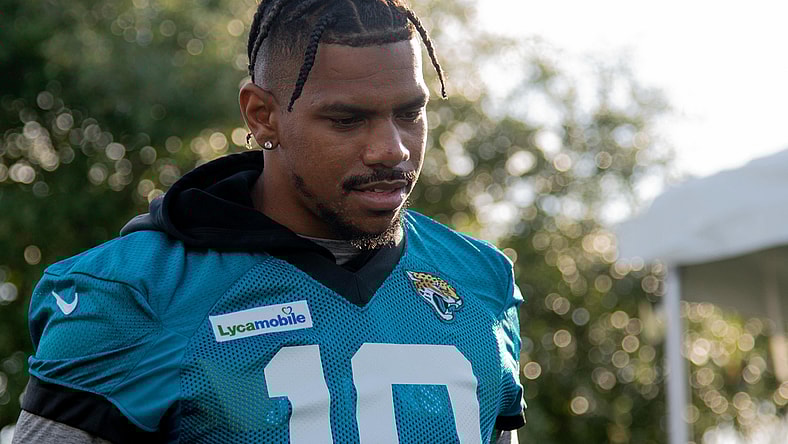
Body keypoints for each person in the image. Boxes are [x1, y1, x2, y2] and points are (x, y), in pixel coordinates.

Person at [13, 0, 526, 442]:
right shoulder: (139, 293)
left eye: (410, 113)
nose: (391, 149)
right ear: (262, 114)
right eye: (347, 120)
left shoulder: (479, 280)